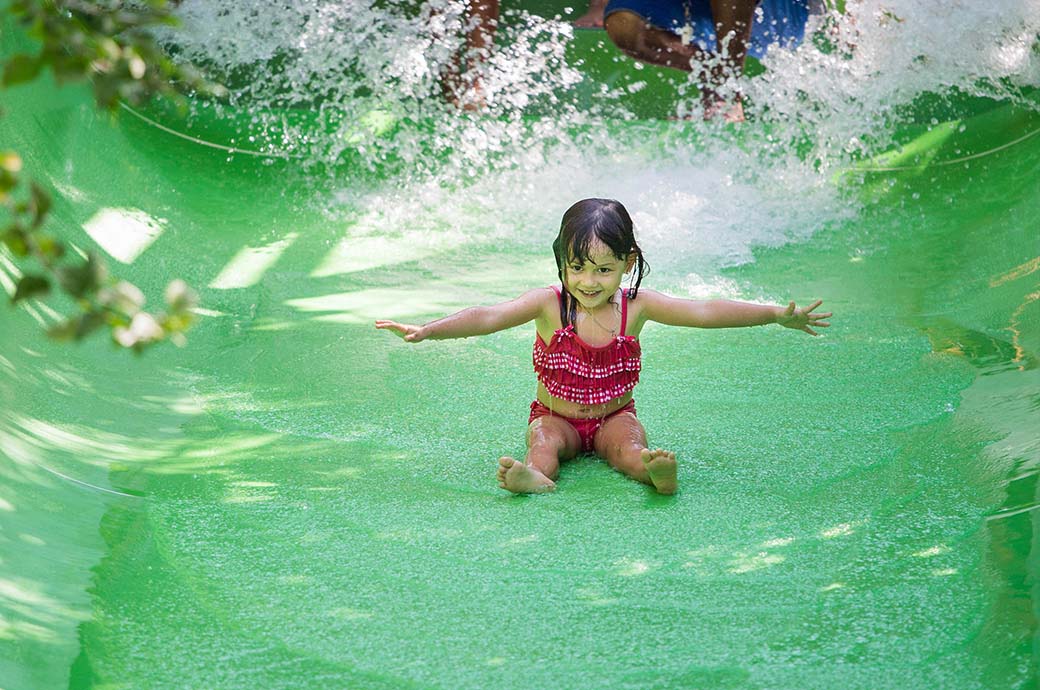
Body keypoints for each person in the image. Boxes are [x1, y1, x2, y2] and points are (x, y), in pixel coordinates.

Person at [375, 198, 831, 495]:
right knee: (544, 443)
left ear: (627, 263)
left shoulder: (638, 307)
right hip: (556, 418)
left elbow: (705, 311)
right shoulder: (549, 306)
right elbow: (489, 316)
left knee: (629, 447)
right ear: (561, 263)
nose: (588, 282)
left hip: (615, 417)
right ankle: (535, 477)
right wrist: (429, 330)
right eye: (576, 268)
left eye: (603, 270)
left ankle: (655, 475)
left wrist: (773, 314)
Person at [602, 1, 814, 122]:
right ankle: (714, 81)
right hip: (695, 13)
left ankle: (726, 94)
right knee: (624, 25)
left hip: (774, 14)